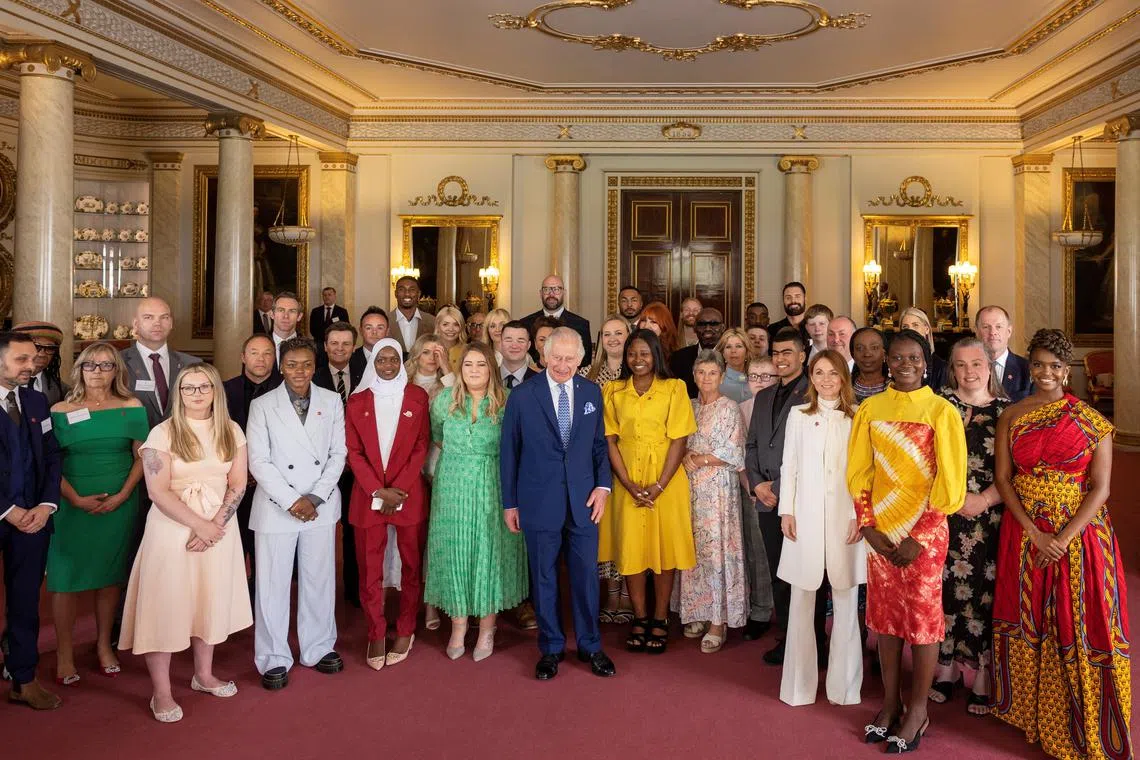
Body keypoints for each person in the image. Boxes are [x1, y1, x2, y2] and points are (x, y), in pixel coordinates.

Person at [990, 329, 1131, 760]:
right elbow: (1002, 478)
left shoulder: (1091, 420)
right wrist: (1035, 532)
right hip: (1025, 529)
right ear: (1028, 367)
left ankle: (1085, 720)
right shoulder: (1012, 415)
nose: (1046, 372)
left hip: (1082, 534)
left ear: (1066, 370)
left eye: (1055, 365)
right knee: (1030, 614)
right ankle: (1032, 715)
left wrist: (1063, 538)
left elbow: (1101, 488)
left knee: (1079, 619)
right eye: (1038, 364)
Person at [846, 329, 967, 752]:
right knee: (885, 617)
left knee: (922, 619)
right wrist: (868, 526)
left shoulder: (941, 411)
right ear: (886, 362)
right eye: (897, 358)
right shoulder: (870, 409)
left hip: (924, 535)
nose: (905, 365)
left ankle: (918, 709)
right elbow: (859, 471)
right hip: (881, 533)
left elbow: (951, 482)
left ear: (927, 361)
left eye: (914, 358)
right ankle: (889, 703)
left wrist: (920, 534)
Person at [119, 363, 251, 723]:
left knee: (207, 601)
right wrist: (199, 526)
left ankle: (203, 674)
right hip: (172, 530)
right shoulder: (162, 433)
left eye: (204, 387)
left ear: (215, 392)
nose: (196, 394)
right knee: (166, 605)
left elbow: (238, 484)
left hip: (218, 532)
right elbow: (156, 491)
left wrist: (216, 525)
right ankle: (161, 691)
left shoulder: (232, 430)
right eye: (188, 388)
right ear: (178, 394)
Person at [501, 327, 616, 680]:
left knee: (585, 578)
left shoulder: (591, 393)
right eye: (557, 357)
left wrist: (603, 486)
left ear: (581, 360)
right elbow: (509, 452)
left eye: (570, 358)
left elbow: (599, 446)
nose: (563, 365)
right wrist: (510, 503)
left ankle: (590, 645)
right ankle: (550, 648)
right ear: (544, 356)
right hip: (538, 500)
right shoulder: (522, 396)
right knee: (544, 577)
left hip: (583, 501)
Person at [246, 338, 347, 691]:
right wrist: (292, 500)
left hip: (319, 504)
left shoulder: (332, 401)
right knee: (272, 585)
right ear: (280, 366)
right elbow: (258, 460)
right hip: (277, 507)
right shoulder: (262, 405)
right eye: (292, 365)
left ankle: (318, 646)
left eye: (306, 364)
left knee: (319, 578)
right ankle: (273, 656)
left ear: (314, 365)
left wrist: (315, 497)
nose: (300, 372)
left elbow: (338, 454)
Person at [48, 343, 148, 686]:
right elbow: (48, 461)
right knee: (65, 579)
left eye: (106, 365)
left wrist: (123, 495)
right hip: (69, 503)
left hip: (119, 502)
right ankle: (64, 653)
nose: (98, 371)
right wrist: (74, 497)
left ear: (116, 370)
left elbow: (142, 457)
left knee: (109, 576)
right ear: (80, 369)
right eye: (90, 365)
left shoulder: (132, 406)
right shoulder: (60, 409)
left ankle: (104, 644)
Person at [425, 342, 528, 661]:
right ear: (459, 368)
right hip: (452, 486)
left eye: (481, 364)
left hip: (492, 485)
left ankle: (486, 627)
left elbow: (517, 447)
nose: (473, 370)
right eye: (468, 364)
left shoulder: (508, 403)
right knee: (456, 550)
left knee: (488, 552)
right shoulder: (443, 401)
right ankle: (458, 624)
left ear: (492, 369)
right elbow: (438, 437)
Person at [776, 350, 865, 706]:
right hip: (805, 517)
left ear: (844, 377)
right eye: (818, 372)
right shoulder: (798, 414)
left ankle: (845, 689)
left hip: (846, 518)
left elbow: (865, 471)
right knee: (801, 601)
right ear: (810, 377)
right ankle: (798, 688)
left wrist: (860, 515)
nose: (825, 379)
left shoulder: (858, 416)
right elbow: (789, 465)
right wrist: (787, 510)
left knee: (846, 601)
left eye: (833, 373)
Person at [600, 329, 697, 655]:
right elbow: (609, 439)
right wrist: (627, 483)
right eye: (632, 354)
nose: (637, 360)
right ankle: (639, 617)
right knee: (633, 552)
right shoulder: (613, 391)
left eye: (644, 353)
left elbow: (679, 440)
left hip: (666, 482)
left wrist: (658, 485)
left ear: (656, 354)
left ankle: (660, 617)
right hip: (626, 479)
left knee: (664, 551)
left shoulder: (675, 388)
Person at [929, 337, 1007, 715]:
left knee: (983, 591)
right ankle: (944, 668)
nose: (969, 371)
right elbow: (924, 459)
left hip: (990, 514)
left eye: (976, 363)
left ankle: (981, 672)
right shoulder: (939, 406)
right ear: (952, 368)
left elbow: (1015, 471)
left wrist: (986, 499)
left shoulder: (1007, 412)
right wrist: (950, 498)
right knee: (943, 588)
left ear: (989, 366)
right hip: (944, 512)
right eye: (960, 364)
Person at [345, 339, 430, 670]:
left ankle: (406, 628)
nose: (388, 364)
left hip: (407, 494)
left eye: (394, 358)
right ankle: (376, 631)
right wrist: (379, 491)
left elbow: (421, 445)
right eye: (382, 359)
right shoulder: (357, 401)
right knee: (370, 569)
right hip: (369, 497)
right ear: (373, 363)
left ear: (402, 361)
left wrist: (398, 489)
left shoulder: (417, 398)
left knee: (411, 566)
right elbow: (353, 451)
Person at [0, 332, 62, 710]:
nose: (32, 365)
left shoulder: (37, 400)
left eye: (34, 358)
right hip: (7, 512)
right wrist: (8, 510)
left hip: (33, 521)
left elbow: (53, 457)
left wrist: (46, 504)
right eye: (22, 359)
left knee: (25, 602)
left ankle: (23, 678)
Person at [674, 351, 748, 654]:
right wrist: (685, 456)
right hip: (688, 489)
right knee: (693, 550)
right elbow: (676, 442)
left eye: (712, 373)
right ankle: (698, 612)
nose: (706, 378)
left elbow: (735, 451)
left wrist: (700, 458)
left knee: (717, 552)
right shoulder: (687, 407)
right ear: (694, 376)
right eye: (701, 372)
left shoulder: (730, 408)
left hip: (718, 492)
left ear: (721, 376)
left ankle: (718, 621)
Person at [745, 327, 809, 666]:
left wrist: (780, 489)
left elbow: (811, 453)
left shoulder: (813, 392)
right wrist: (757, 484)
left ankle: (812, 640)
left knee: (804, 574)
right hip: (765, 498)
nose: (781, 358)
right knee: (778, 573)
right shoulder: (764, 396)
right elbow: (753, 443)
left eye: (787, 352)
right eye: (776, 353)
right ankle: (787, 637)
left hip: (798, 500)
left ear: (802, 355)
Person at [579, 315, 632, 623]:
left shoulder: (638, 370)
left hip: (630, 460)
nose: (613, 339)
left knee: (627, 528)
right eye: (607, 333)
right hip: (596, 461)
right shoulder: (587, 375)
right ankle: (610, 593)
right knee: (607, 529)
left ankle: (626, 595)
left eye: (619, 333)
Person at [221, 335, 282, 589]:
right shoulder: (224, 390)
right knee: (235, 544)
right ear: (243, 357)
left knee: (268, 550)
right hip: (233, 482)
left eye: (267, 353)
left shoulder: (285, 389)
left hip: (274, 484)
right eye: (254, 353)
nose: (261, 359)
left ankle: (264, 595)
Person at [314, 322, 367, 607]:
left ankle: (352, 591)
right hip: (321, 467)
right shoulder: (314, 377)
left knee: (352, 527)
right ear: (325, 346)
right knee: (321, 530)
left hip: (357, 467)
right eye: (334, 343)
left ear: (354, 347)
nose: (339, 348)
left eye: (346, 344)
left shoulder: (366, 377)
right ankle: (320, 592)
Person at [737, 356, 777, 641]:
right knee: (757, 552)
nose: (760, 382)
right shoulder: (740, 409)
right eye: (754, 376)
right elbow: (740, 455)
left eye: (767, 377)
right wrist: (753, 488)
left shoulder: (789, 408)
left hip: (783, 488)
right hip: (751, 489)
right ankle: (760, 609)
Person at [123, 297, 201, 428]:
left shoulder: (192, 364)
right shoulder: (117, 363)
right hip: (134, 444)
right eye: (148, 317)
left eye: (164, 317)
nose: (157, 323)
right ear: (135, 324)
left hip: (182, 443)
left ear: (171, 323)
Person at [520, 275, 592, 367]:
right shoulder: (525, 323)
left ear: (564, 293)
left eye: (556, 289)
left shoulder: (581, 324)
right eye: (547, 289)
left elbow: (585, 362)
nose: (551, 294)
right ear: (540, 293)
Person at [975, 305, 1032, 402]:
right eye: (986, 327)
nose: (993, 332)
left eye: (999, 327)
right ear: (976, 331)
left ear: (1009, 331)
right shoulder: (963, 368)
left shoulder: (1027, 369)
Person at [670, 307, 725, 398]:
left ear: (723, 327)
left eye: (714, 324)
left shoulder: (731, 356)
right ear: (695, 328)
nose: (707, 328)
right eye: (702, 324)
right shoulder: (678, 358)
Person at [12, 321, 69, 405]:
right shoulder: (4, 382)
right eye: (36, 346)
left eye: (50, 348)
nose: (42, 354)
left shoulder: (61, 389)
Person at [900, 307, 948, 390]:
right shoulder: (895, 363)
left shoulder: (941, 367)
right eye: (905, 327)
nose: (911, 331)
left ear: (926, 329)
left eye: (915, 325)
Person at [392, 277, 436, 356]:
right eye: (402, 289)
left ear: (418, 294)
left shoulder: (432, 322)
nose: (407, 294)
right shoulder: (385, 321)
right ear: (396, 293)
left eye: (412, 290)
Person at [850, 327, 888, 403]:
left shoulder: (896, 387)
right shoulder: (844, 385)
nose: (867, 354)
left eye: (874, 348)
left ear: (884, 354)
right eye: (860, 348)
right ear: (853, 354)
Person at [715, 328, 752, 403]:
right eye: (728, 347)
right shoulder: (715, 383)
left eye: (738, 346)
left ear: (747, 352)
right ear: (723, 353)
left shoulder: (756, 380)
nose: (733, 351)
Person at [500, 320, 538, 389]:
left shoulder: (540, 382)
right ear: (501, 343)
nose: (514, 346)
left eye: (521, 341)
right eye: (508, 340)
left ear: (528, 345)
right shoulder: (488, 377)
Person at [269, 292, 302, 366]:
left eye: (292, 311)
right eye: (281, 310)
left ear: (299, 316)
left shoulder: (313, 349)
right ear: (271, 314)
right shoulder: (256, 347)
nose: (286, 316)